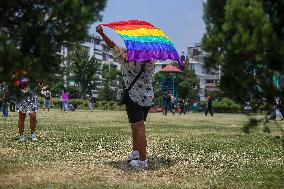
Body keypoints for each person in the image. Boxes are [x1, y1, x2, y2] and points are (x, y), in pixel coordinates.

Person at [97, 25, 155, 168]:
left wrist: (102, 34)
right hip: (147, 97)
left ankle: (142, 161)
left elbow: (114, 48)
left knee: (139, 127)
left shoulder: (128, 61)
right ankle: (136, 153)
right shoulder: (150, 59)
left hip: (134, 97)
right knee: (136, 126)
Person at [14, 75, 39, 142]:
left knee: (33, 116)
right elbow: (15, 83)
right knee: (22, 116)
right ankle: (21, 135)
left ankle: (33, 134)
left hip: (32, 95)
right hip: (21, 95)